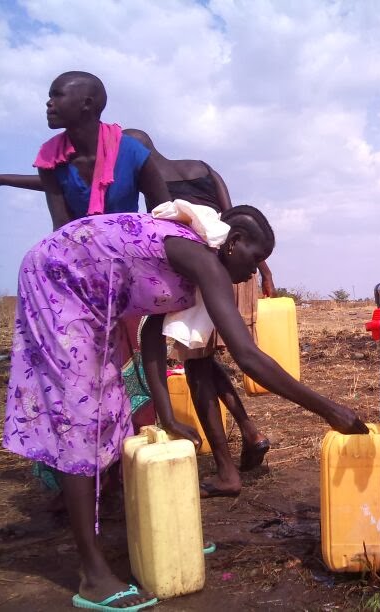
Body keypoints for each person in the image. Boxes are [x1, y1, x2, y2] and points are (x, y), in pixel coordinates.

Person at [3, 206, 367, 610]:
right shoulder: (201, 260)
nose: (256, 270)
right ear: (232, 244)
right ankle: (92, 575)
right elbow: (247, 356)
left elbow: (154, 339)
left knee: (111, 406)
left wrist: (169, 415)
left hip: (90, 295)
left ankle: (147, 538)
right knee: (81, 417)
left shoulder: (197, 267)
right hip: (57, 277)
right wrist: (328, 410)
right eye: (255, 256)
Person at [124, 128, 276, 497]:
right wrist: (263, 269)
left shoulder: (148, 180)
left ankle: (227, 471)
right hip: (237, 268)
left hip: (203, 274)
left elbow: (163, 232)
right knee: (205, 360)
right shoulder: (201, 167)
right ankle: (248, 428)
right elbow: (232, 216)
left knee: (197, 369)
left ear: (133, 153)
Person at [35, 71, 169, 228]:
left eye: (58, 95)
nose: (49, 103)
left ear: (87, 103)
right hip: (78, 245)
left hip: (131, 243)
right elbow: (61, 225)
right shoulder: (49, 157)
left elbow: (164, 214)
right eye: (50, 96)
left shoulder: (132, 152)